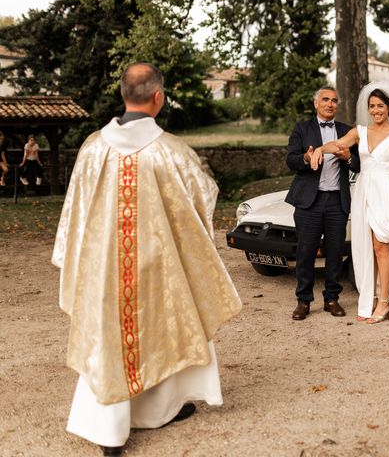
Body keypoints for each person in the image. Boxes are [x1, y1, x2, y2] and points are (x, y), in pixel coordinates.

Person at [52, 62, 242, 456]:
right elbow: (200, 199)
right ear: (159, 97)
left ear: (123, 95)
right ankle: (155, 410)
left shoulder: (91, 148)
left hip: (105, 273)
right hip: (158, 267)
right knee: (161, 329)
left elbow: (75, 213)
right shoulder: (170, 152)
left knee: (108, 337)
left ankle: (113, 429)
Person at [310, 82, 389, 324]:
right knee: (365, 248)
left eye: (380, 106)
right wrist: (319, 149)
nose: (375, 110)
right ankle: (369, 297)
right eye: (372, 106)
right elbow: (338, 145)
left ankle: (384, 302)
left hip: (386, 192)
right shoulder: (360, 131)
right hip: (363, 193)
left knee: (381, 247)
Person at [285, 85, 360, 321]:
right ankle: (304, 301)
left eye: (334, 101)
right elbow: (291, 161)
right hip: (310, 201)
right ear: (316, 104)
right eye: (325, 100)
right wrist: (307, 157)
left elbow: (359, 165)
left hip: (337, 200)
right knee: (306, 252)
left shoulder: (347, 131)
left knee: (335, 252)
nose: (330, 104)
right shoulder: (302, 129)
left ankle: (332, 298)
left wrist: (348, 157)